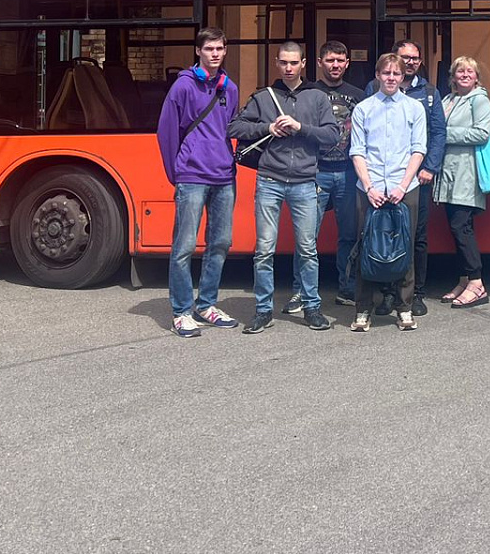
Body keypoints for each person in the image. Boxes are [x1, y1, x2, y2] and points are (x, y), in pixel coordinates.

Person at [227, 41, 340, 334]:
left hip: (304, 182)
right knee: (264, 250)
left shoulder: (316, 97)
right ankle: (263, 310)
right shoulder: (265, 96)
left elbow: (332, 134)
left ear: (303, 64)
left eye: (294, 63)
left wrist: (301, 127)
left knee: (307, 250)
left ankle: (311, 307)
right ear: (277, 64)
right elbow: (234, 128)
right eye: (283, 63)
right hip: (269, 180)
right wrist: (267, 128)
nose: (289, 68)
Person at [156, 27, 240, 337]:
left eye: (219, 48)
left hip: (223, 176)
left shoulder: (229, 88)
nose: (215, 53)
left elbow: (229, 128)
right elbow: (166, 132)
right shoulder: (183, 87)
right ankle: (181, 311)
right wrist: (175, 173)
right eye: (209, 49)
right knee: (184, 246)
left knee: (219, 244)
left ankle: (206, 305)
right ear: (198, 52)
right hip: (191, 176)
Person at [349, 53, 428, 332]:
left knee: (404, 246)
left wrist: (402, 185)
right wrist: (369, 187)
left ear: (403, 76)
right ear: (377, 75)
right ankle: (363, 309)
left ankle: (404, 308)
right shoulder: (364, 109)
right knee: (366, 247)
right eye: (386, 73)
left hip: (404, 187)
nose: (391, 78)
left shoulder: (414, 108)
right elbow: (357, 151)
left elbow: (419, 149)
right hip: (368, 189)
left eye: (396, 73)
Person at [366, 40, 446, 316]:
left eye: (414, 58)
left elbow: (437, 133)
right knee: (382, 235)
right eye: (404, 58)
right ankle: (387, 294)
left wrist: (429, 167)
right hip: (381, 180)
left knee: (415, 237)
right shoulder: (374, 89)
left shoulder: (430, 92)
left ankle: (415, 294)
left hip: (415, 179)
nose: (409, 62)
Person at [302, 40, 364, 312]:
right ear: (319, 62)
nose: (335, 65)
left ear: (347, 63)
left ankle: (347, 289)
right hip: (315, 173)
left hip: (348, 174)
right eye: (330, 60)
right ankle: (302, 292)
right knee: (307, 237)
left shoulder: (359, 95)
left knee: (349, 235)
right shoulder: (307, 92)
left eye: (340, 60)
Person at [434, 55, 490, 309]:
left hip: (466, 174)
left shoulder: (479, 101)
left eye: (470, 71)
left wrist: (444, 135)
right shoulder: (448, 99)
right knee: (455, 228)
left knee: (462, 227)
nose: (465, 75)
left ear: (477, 77)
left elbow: (481, 133)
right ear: (453, 76)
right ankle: (464, 279)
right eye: (460, 71)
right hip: (448, 174)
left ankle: (477, 283)